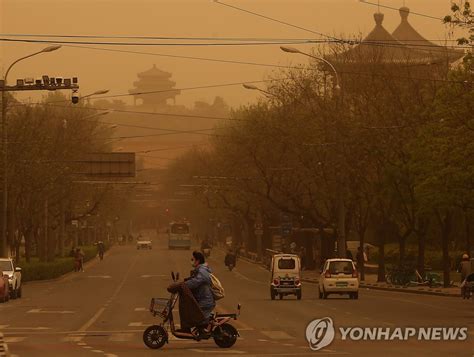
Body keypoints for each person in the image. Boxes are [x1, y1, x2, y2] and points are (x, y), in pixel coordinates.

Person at [185, 251, 215, 334]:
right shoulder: (200, 269)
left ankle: (205, 328)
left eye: (192, 259)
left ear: (197, 261)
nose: (191, 261)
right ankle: (201, 328)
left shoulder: (202, 270)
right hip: (202, 298)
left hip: (205, 300)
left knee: (192, 313)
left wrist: (185, 285)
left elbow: (199, 280)